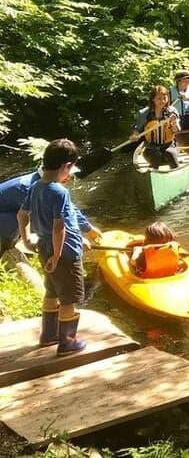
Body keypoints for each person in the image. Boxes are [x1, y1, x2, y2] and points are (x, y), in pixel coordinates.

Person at [17, 139, 103, 354]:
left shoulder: (36, 186)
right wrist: (57, 255)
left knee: (52, 291)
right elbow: (58, 227)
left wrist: (27, 240)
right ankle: (67, 342)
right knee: (69, 299)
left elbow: (22, 215)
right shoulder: (59, 192)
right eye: (71, 168)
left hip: (45, 248)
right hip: (63, 253)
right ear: (66, 166)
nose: (71, 173)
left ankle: (48, 335)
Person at [131, 85, 181, 169]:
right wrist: (134, 136)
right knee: (156, 156)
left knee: (170, 154)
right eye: (159, 98)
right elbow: (137, 130)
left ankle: (176, 172)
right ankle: (154, 172)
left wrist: (174, 123)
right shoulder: (144, 114)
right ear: (153, 99)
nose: (162, 101)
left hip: (169, 145)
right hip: (150, 147)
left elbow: (177, 130)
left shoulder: (172, 111)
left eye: (165, 98)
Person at [0, 169, 40, 256]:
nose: (69, 178)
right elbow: (23, 216)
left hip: (5, 211)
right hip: (5, 218)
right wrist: (27, 243)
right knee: (18, 221)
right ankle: (6, 248)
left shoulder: (36, 179)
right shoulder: (28, 188)